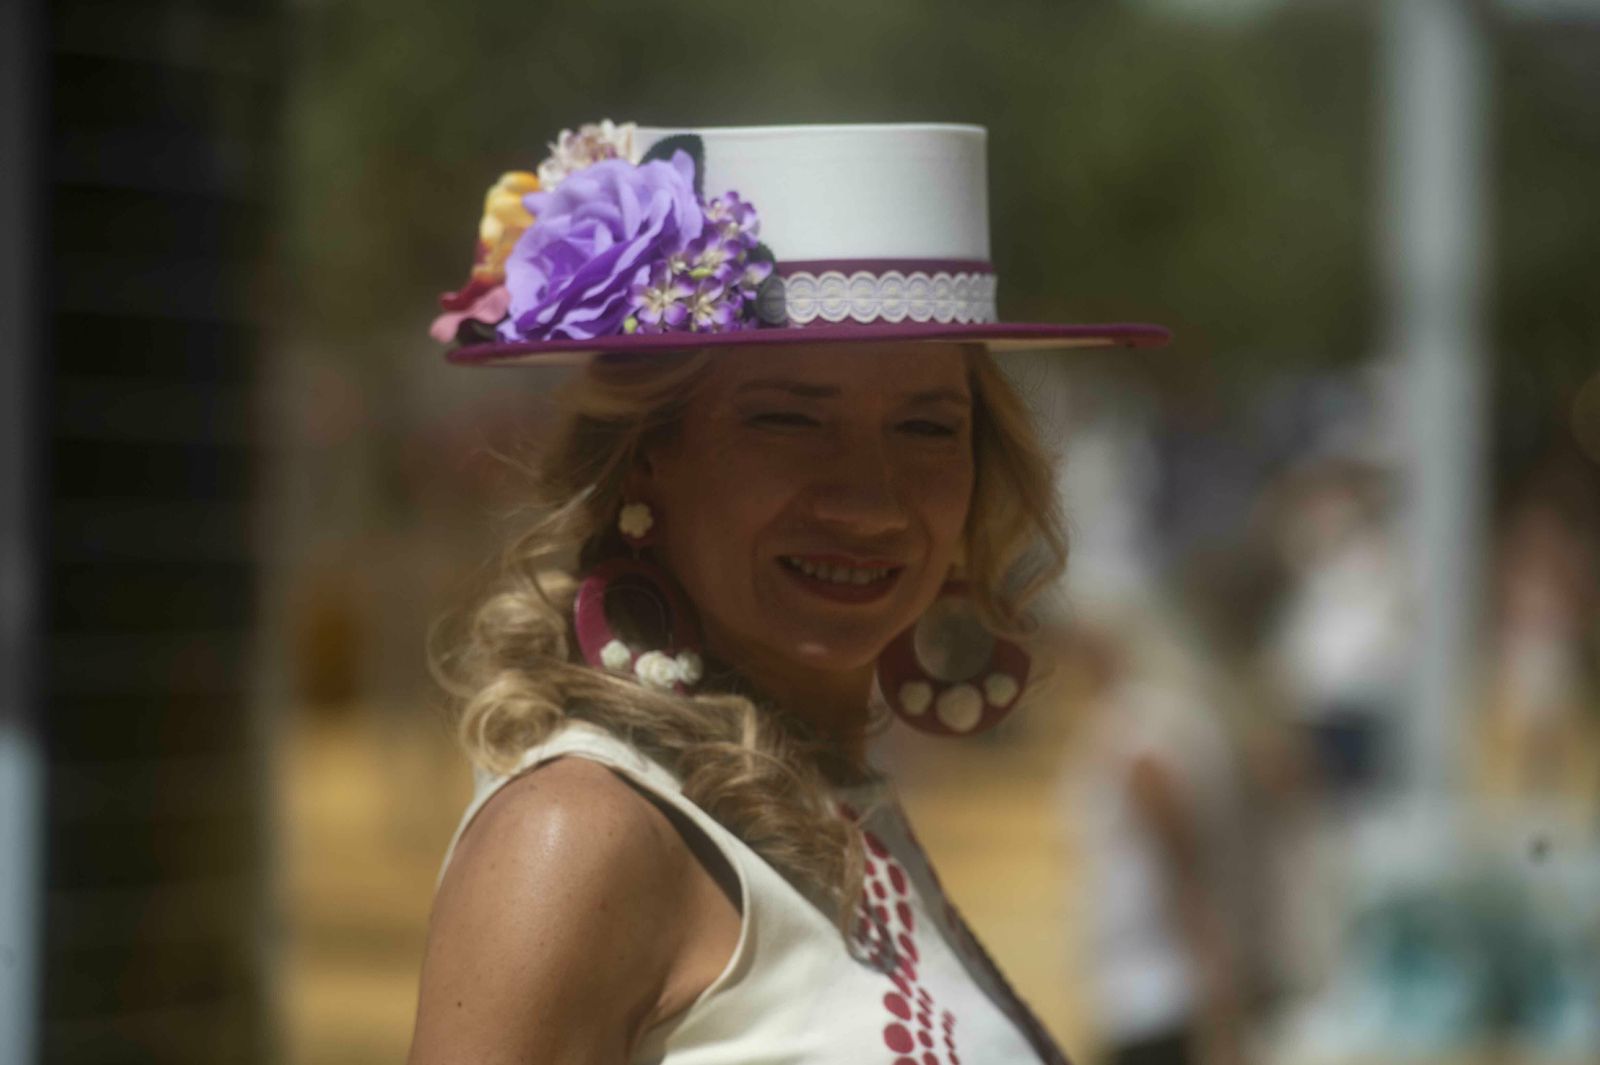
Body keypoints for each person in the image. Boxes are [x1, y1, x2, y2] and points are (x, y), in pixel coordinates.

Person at [405, 121, 1169, 1064]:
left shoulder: (837, 801)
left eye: (927, 429)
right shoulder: (580, 837)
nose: (869, 503)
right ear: (645, 455)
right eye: (787, 421)